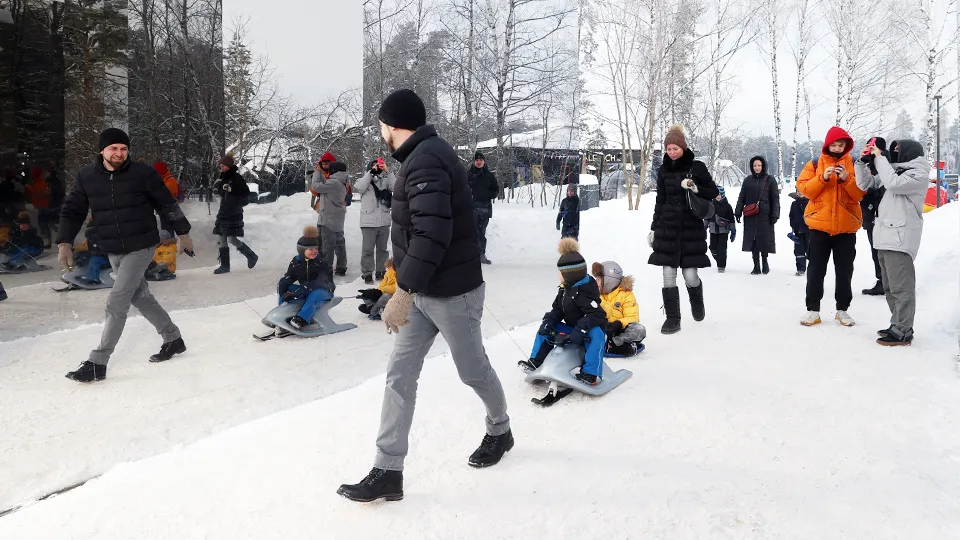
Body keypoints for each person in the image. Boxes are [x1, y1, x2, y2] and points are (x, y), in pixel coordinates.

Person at [338, 88, 511, 503]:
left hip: (453, 293)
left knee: (472, 371)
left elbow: (434, 234)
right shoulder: (421, 157)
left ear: (394, 125)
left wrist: (403, 291)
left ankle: (500, 429)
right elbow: (417, 232)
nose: (380, 131)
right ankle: (387, 470)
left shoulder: (427, 160)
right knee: (400, 374)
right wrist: (408, 288)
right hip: (423, 292)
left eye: (381, 124)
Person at [56, 128, 194, 382]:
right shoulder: (87, 176)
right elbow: (72, 210)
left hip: (142, 244)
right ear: (102, 151)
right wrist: (64, 242)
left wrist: (183, 233)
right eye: (113, 149)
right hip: (113, 247)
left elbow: (166, 203)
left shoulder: (143, 173)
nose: (119, 153)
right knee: (140, 296)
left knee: (117, 301)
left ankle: (98, 361)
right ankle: (173, 338)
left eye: (123, 149)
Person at [855, 139, 929, 346]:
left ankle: (904, 330)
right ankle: (897, 324)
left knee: (901, 288)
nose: (893, 153)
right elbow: (865, 185)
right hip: (884, 237)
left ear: (910, 152)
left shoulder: (918, 174)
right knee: (889, 287)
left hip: (900, 238)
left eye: (898, 150)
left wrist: (879, 158)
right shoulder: (892, 171)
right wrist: (861, 163)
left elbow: (893, 185)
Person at [647, 124, 720, 334]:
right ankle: (672, 318)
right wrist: (654, 228)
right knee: (668, 274)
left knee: (690, 276)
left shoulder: (697, 167)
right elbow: (660, 200)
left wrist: (695, 187)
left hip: (690, 229)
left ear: (683, 147)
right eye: (669, 148)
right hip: (667, 228)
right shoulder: (663, 170)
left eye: (675, 148)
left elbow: (713, 191)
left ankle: (697, 301)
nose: (672, 152)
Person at [796, 126, 864, 327]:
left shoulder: (854, 164)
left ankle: (842, 310)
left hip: (846, 226)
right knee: (816, 269)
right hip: (819, 226)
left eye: (840, 144)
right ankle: (813, 310)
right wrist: (822, 178)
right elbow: (805, 189)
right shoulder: (815, 163)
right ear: (827, 144)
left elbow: (860, 193)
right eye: (833, 144)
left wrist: (847, 179)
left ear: (846, 146)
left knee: (844, 270)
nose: (836, 148)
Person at [519, 238, 608, 378]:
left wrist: (580, 330)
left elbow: (597, 315)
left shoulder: (585, 291)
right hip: (573, 329)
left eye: (560, 272)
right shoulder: (564, 289)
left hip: (587, 330)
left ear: (569, 274)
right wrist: (550, 320)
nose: (557, 275)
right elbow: (558, 309)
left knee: (597, 334)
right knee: (546, 328)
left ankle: (591, 372)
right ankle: (536, 361)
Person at [277, 226, 335, 330]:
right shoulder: (296, 262)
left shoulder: (320, 263)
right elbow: (290, 276)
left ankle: (301, 319)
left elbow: (319, 283)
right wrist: (283, 285)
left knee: (316, 294)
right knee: (285, 285)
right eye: (310, 249)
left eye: (316, 248)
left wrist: (301, 290)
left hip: (324, 291)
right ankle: (281, 314)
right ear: (301, 250)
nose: (314, 251)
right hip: (306, 290)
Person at [212, 154, 258, 274]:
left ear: (228, 166)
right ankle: (225, 266)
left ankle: (251, 255)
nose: (221, 168)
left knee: (231, 238)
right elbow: (223, 193)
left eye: (223, 166)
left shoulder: (237, 178)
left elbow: (245, 192)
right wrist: (221, 188)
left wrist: (232, 190)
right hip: (224, 211)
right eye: (220, 166)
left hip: (233, 212)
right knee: (222, 237)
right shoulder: (223, 178)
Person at [735, 156, 780, 275]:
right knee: (753, 240)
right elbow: (741, 197)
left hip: (765, 215)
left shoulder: (770, 180)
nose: (757, 168)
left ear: (763, 166)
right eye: (755, 165)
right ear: (752, 166)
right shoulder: (747, 180)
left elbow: (775, 199)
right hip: (750, 215)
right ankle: (756, 265)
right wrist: (738, 211)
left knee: (764, 240)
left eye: (759, 165)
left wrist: (775, 214)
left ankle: (765, 262)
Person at [592, 260, 646, 357]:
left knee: (639, 329)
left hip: (619, 331)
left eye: (599, 280)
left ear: (609, 280)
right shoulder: (597, 295)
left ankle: (614, 344)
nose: (597, 283)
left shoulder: (626, 295)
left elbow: (633, 317)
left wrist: (619, 323)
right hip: (604, 330)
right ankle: (615, 345)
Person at [355, 157, 396, 284]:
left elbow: (396, 187)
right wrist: (371, 173)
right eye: (374, 165)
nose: (376, 167)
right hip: (368, 221)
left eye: (378, 165)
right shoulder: (364, 181)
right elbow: (360, 187)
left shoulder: (385, 181)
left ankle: (381, 272)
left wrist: (388, 172)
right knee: (367, 249)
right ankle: (367, 273)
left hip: (384, 221)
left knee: (382, 249)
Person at [859, 138, 888, 296]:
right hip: (870, 215)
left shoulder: (886, 164)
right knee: (875, 250)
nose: (870, 151)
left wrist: (872, 193)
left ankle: (890, 282)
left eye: (873, 148)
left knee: (885, 251)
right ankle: (881, 281)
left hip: (884, 216)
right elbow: (862, 184)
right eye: (868, 148)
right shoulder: (868, 163)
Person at [311, 160, 349, 276]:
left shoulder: (334, 183)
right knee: (339, 244)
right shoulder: (341, 181)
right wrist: (321, 173)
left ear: (334, 170)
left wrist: (317, 173)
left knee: (328, 246)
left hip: (328, 219)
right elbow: (326, 184)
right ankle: (341, 267)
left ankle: (326, 270)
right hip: (337, 218)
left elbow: (316, 187)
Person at [467, 151, 499, 264]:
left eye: (480, 160)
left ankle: (481, 255)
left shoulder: (489, 176)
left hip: (485, 209)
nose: (479, 162)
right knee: (471, 233)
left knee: (481, 232)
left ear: (484, 161)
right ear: (474, 162)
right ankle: (471, 256)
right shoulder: (468, 175)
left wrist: (487, 195)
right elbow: (461, 189)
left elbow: (496, 190)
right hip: (470, 209)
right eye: (477, 160)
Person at [705, 186, 736, 272]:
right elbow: (707, 217)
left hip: (724, 230)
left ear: (723, 195)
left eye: (719, 195)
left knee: (721, 249)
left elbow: (731, 219)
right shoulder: (710, 205)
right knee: (712, 247)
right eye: (716, 195)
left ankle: (721, 266)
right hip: (713, 230)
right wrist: (704, 226)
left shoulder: (727, 206)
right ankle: (719, 260)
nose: (718, 196)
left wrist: (733, 230)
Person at [77, 220, 110, 285]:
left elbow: (104, 251)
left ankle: (93, 279)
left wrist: (97, 253)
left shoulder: (100, 240)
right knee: (92, 259)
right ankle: (87, 277)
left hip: (108, 258)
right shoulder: (91, 241)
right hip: (101, 256)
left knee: (95, 260)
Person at [25, 167, 52, 248]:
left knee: (43, 223)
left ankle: (48, 239)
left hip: (42, 205)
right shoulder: (39, 181)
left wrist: (29, 188)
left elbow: (39, 192)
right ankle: (48, 239)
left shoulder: (40, 181)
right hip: (42, 204)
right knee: (44, 222)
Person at [788, 189, 810, 276]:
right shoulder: (794, 204)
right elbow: (791, 216)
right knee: (799, 251)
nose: (800, 193)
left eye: (802, 191)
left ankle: (814, 268)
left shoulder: (810, 202)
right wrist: (793, 225)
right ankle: (801, 269)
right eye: (798, 191)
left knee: (811, 250)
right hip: (798, 231)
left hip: (809, 231)